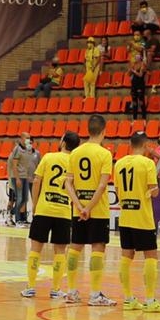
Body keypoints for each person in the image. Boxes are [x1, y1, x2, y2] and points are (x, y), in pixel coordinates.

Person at [65, 114, 116, 306]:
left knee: (75, 247)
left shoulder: (76, 152)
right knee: (98, 247)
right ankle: (95, 295)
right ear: (103, 131)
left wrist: (79, 206)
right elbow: (102, 186)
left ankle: (71, 291)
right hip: (98, 210)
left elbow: (68, 183)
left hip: (78, 209)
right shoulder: (104, 154)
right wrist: (89, 207)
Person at [113, 131, 160, 313]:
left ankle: (128, 298)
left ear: (130, 144)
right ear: (146, 145)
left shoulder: (119, 163)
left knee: (126, 256)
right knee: (151, 257)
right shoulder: (147, 163)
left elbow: (118, 191)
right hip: (142, 218)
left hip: (126, 216)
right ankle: (150, 300)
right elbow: (154, 191)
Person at [23, 132, 77, 300]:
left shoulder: (48, 157)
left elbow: (37, 181)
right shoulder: (74, 162)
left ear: (63, 142)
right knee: (60, 251)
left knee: (35, 248)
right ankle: (55, 289)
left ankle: (31, 287)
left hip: (44, 209)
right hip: (63, 211)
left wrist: (36, 205)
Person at [7, 133, 37, 226]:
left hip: (25, 177)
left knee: (23, 199)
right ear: (22, 139)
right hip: (16, 177)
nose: (28, 140)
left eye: (29, 139)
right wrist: (16, 179)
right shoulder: (16, 149)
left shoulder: (28, 151)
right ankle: (11, 216)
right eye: (27, 138)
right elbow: (13, 165)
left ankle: (18, 218)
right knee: (15, 199)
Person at [128, 42, 150, 120]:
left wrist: (133, 71)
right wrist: (130, 70)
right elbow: (129, 74)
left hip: (140, 84)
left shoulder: (142, 65)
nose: (136, 57)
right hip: (134, 84)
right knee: (134, 103)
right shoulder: (134, 64)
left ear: (140, 57)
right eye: (136, 56)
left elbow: (140, 75)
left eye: (138, 55)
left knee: (141, 102)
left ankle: (144, 118)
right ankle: (134, 119)